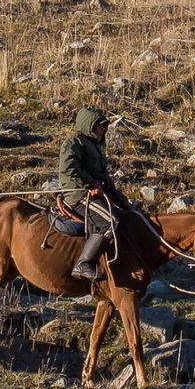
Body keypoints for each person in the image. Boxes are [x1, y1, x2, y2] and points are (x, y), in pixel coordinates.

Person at [54, 107, 121, 284]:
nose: (103, 129)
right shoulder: (73, 143)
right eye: (99, 126)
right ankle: (83, 264)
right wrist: (90, 185)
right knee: (110, 223)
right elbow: (68, 169)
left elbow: (104, 180)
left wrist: (122, 201)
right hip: (79, 195)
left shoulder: (95, 147)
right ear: (88, 125)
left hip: (95, 193)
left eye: (104, 126)